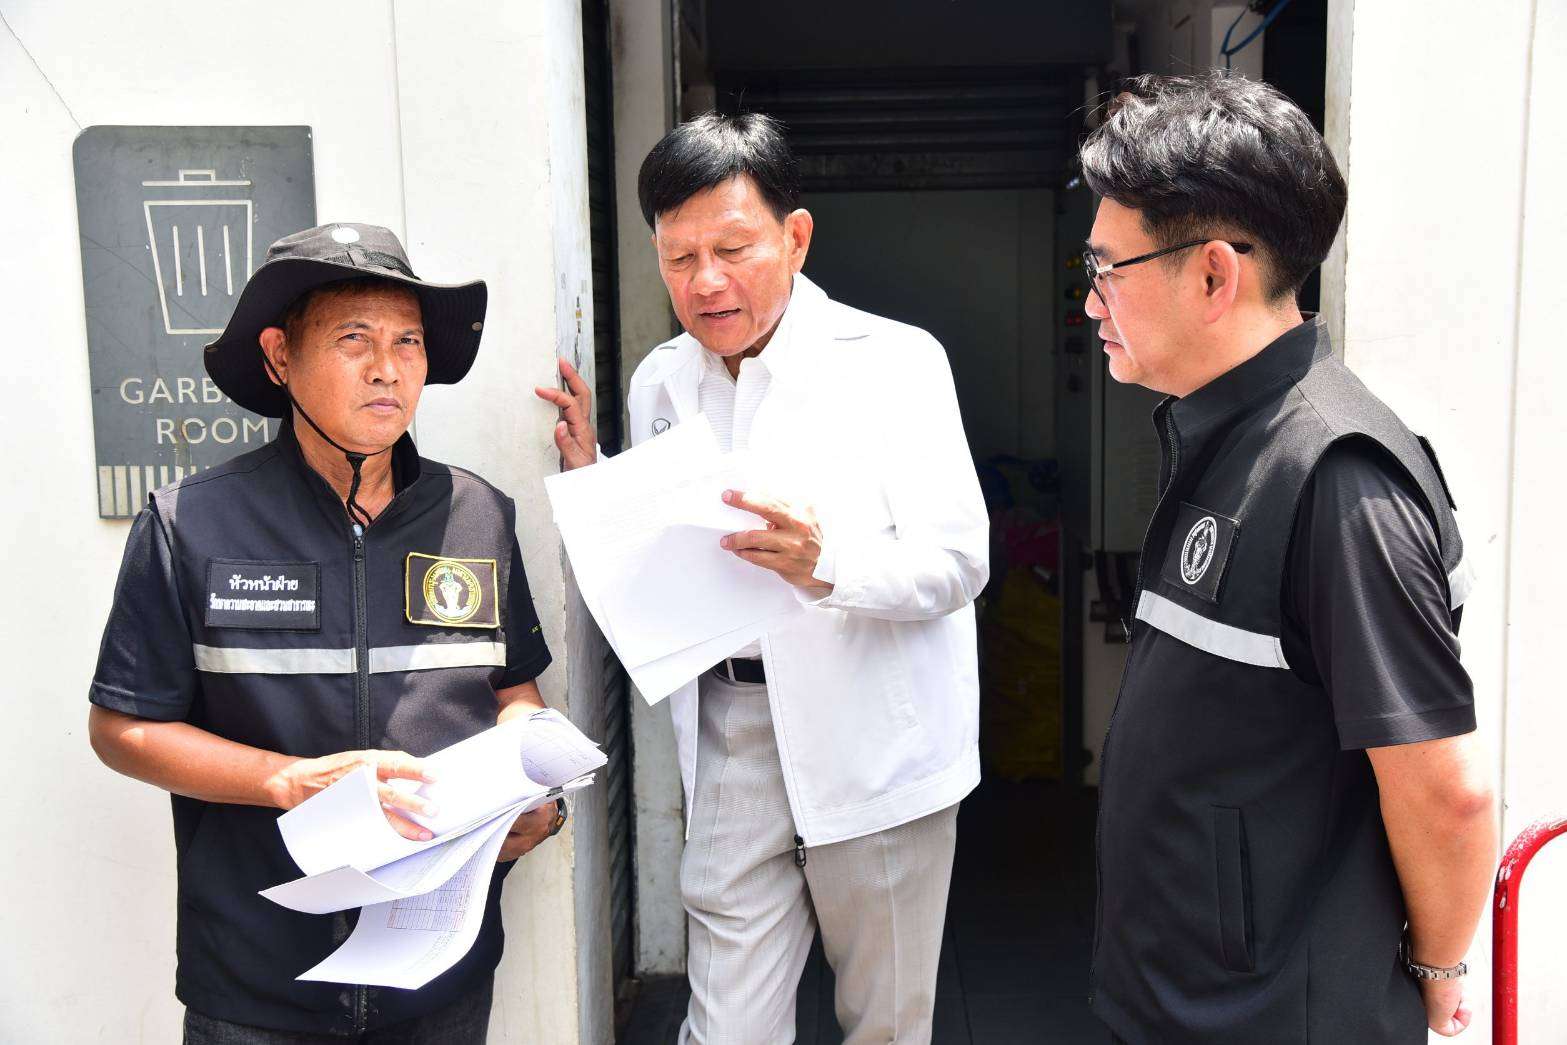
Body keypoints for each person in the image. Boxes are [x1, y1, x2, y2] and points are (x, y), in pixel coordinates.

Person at [536, 112, 988, 1043]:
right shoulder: (661, 381)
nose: (704, 281)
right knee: (727, 1027)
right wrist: (593, 477)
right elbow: (665, 549)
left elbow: (958, 562)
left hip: (875, 736)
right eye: (678, 257)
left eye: (732, 249)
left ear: (796, 237)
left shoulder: (895, 363)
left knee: (885, 1024)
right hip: (731, 729)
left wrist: (829, 565)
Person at [1078, 74, 1496, 1043]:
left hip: (1270, 1018)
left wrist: (1438, 968)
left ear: (1212, 275)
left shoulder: (1335, 479)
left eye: (1106, 268)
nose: (1090, 299)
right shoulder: (1229, 436)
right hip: (1183, 1003)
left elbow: (1445, 791)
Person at [88, 223, 564, 1043]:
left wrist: (533, 791)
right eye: (354, 339)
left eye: (408, 341)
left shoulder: (478, 513)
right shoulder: (190, 522)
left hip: (439, 981)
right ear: (280, 357)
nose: (388, 367)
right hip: (257, 984)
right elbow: (121, 728)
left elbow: (511, 688)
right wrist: (288, 780)